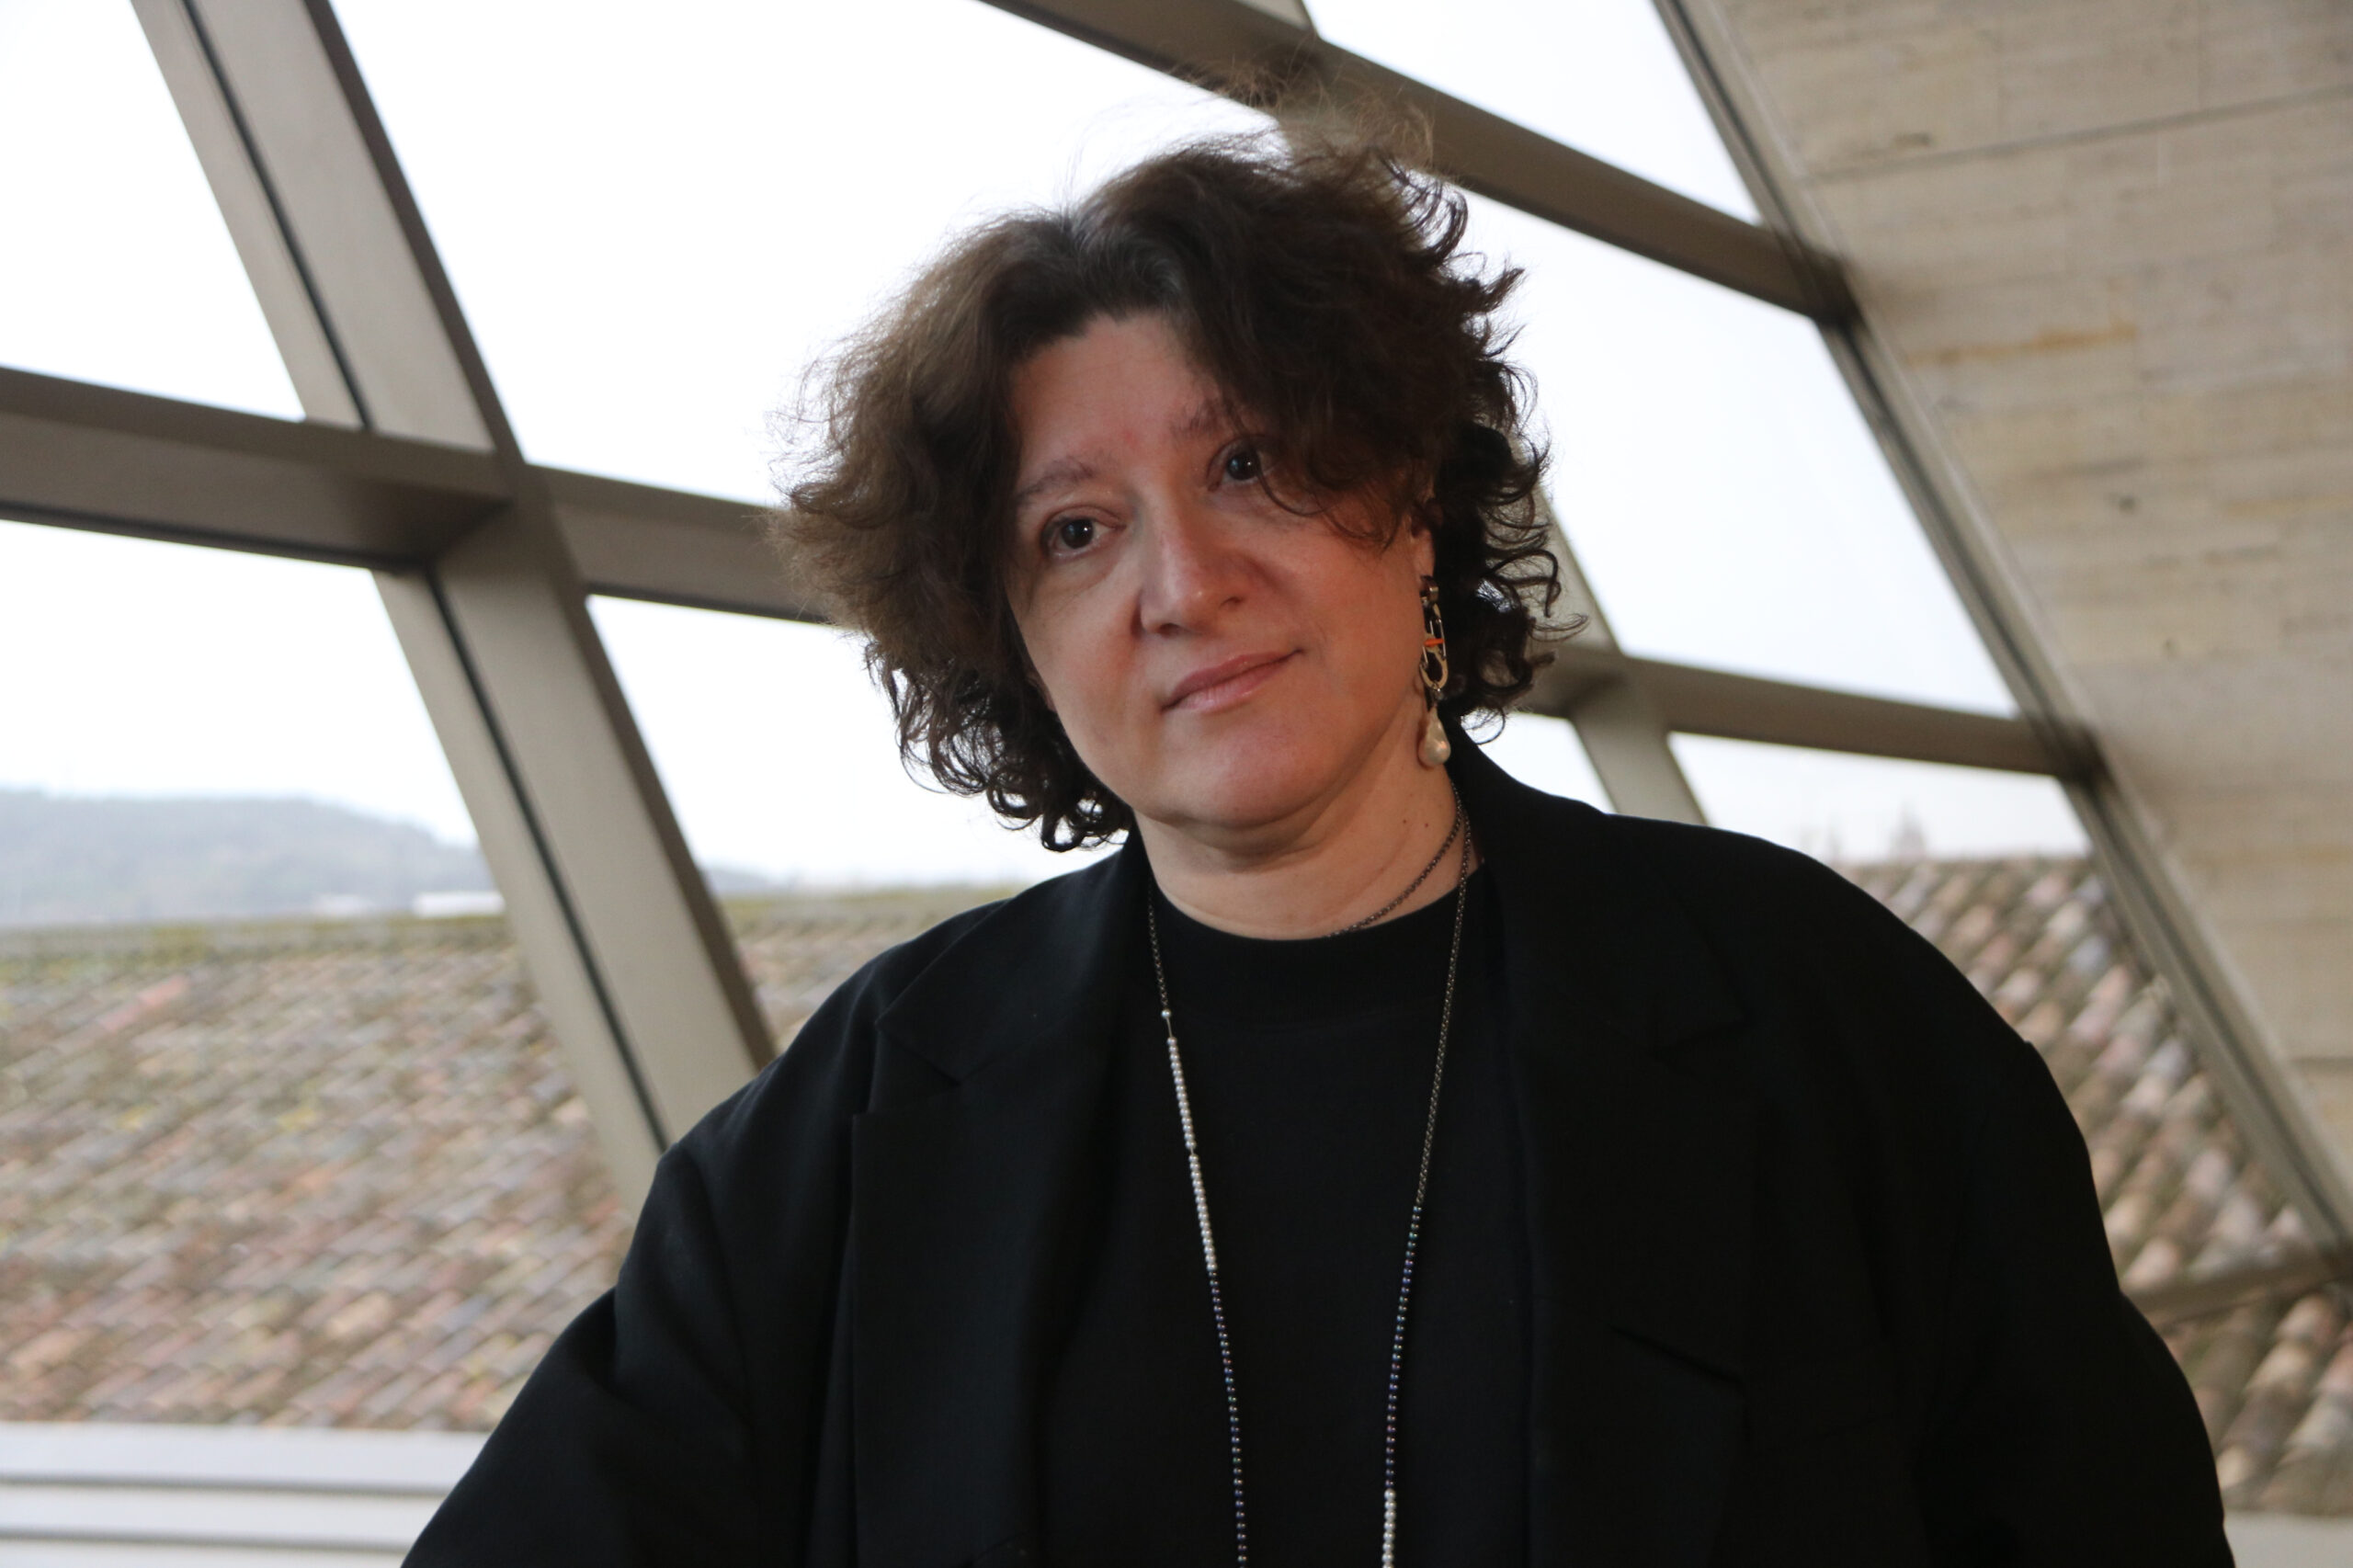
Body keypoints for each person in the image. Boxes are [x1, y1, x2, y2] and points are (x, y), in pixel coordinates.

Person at [407, 131, 2230, 1567]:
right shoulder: (868, 1112)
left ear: (1413, 502)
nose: (1184, 582)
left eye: (1251, 465)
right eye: (1073, 531)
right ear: (1012, 639)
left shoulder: (1817, 1015)